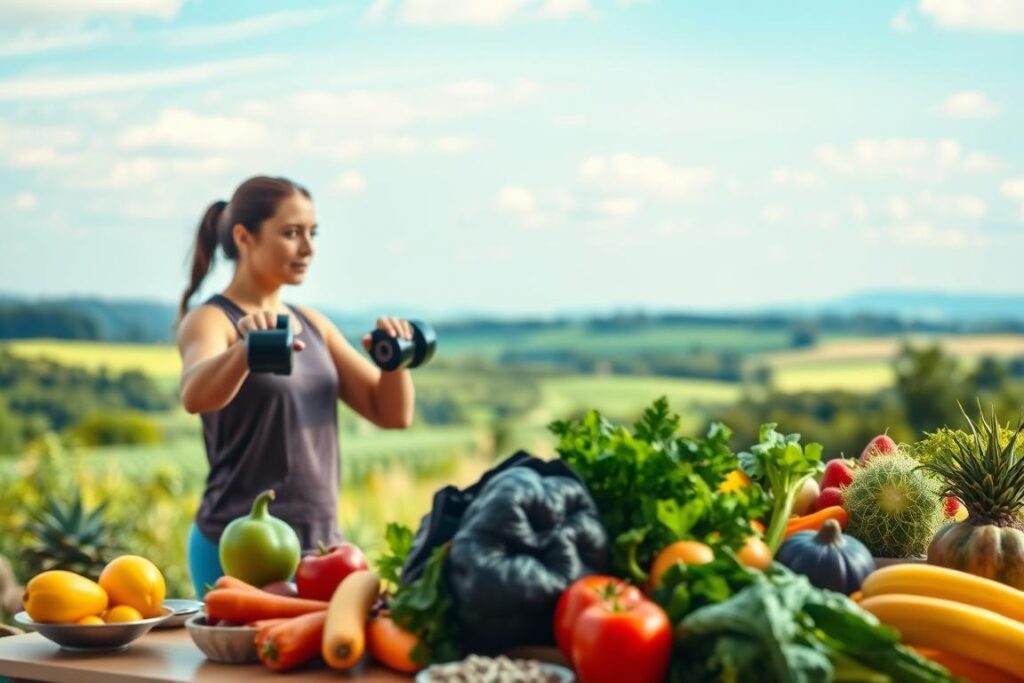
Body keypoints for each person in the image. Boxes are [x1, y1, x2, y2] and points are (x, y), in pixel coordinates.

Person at [175, 175, 415, 597]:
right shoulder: (213, 320)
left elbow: (391, 414)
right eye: (291, 233)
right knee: (241, 664)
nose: (308, 248)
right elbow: (195, 395)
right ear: (244, 237)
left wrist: (394, 362)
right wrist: (243, 353)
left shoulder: (312, 322)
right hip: (239, 546)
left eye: (312, 233)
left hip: (322, 547)